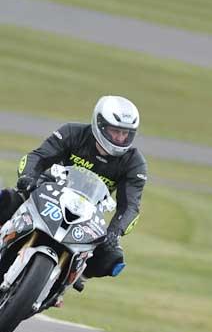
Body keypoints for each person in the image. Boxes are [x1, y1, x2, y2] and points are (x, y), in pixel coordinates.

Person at [0, 95, 147, 280]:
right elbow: (37, 157)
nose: (120, 138)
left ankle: (69, 279)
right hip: (46, 193)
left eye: (126, 133)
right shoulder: (72, 132)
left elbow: (130, 206)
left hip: (87, 214)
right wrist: (28, 178)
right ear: (99, 124)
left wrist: (115, 231)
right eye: (115, 131)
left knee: (112, 259)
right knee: (5, 199)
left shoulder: (134, 163)